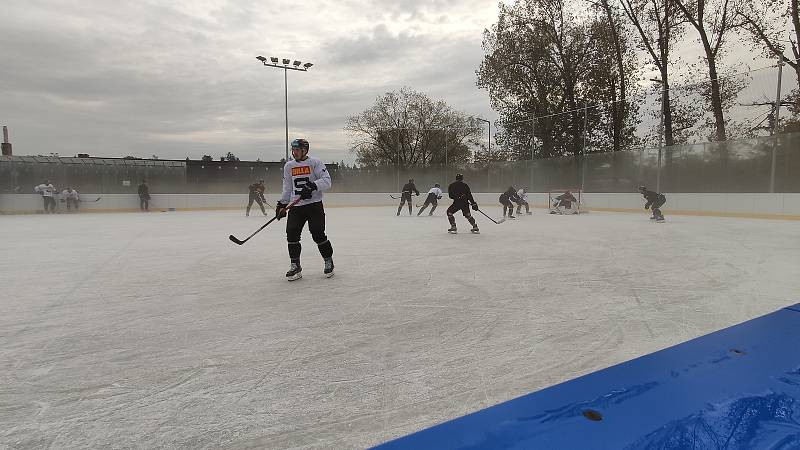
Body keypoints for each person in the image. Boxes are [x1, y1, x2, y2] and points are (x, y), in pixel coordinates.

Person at [275, 138, 334, 281]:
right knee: (292, 233)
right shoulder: (288, 166)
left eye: (297, 150)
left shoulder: (315, 163)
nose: (294, 153)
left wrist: (313, 186)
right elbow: (287, 187)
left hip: (314, 205)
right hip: (296, 207)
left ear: (305, 150)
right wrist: (282, 204)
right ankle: (295, 265)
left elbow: (327, 181)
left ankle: (328, 260)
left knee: (317, 233)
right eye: (293, 150)